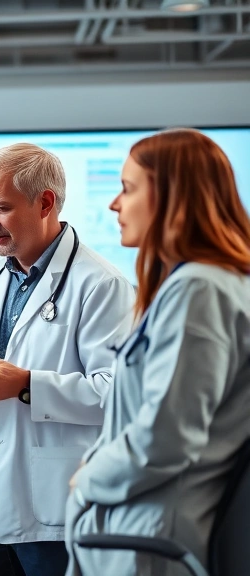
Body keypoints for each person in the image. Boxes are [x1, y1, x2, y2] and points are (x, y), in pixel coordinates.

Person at [0, 143, 135, 576]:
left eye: (1, 208)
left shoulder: (102, 285)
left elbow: (119, 394)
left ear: (45, 202)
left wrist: (27, 384)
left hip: (53, 498)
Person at [66, 129, 250, 576]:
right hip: (142, 527)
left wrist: (86, 478)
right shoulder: (207, 284)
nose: (114, 204)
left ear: (173, 197)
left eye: (128, 189)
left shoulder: (199, 289)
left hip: (147, 537)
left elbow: (166, 438)